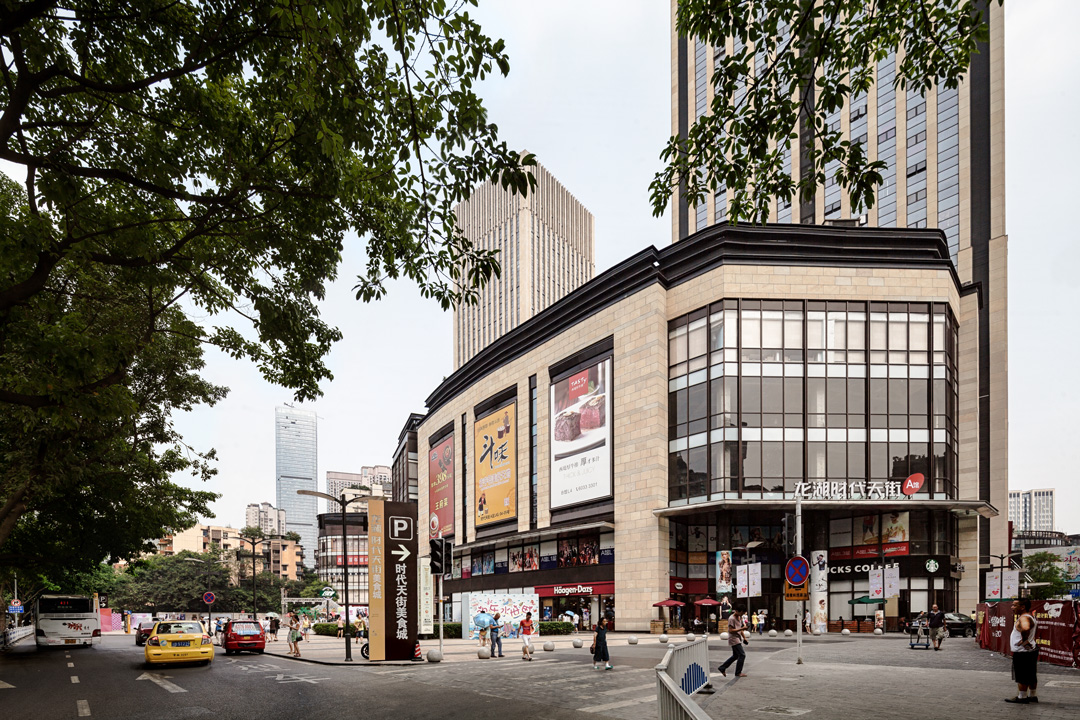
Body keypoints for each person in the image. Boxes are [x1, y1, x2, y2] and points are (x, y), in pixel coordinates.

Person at [1005, 598, 1039, 704]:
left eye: (1015, 605)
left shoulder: (1024, 618)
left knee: (1022, 675)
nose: (1012, 607)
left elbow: (1025, 628)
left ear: (1023, 607)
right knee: (1031, 674)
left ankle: (1022, 697)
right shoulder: (1029, 616)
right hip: (1029, 651)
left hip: (1022, 652)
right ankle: (1032, 695)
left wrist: (1024, 640)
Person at [717, 606, 749, 678]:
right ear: (737, 611)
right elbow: (731, 630)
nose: (742, 614)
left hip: (738, 638)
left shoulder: (739, 617)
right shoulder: (731, 618)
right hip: (733, 638)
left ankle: (722, 667)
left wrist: (744, 638)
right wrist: (742, 628)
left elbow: (740, 629)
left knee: (736, 655)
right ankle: (738, 672)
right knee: (742, 655)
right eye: (741, 613)